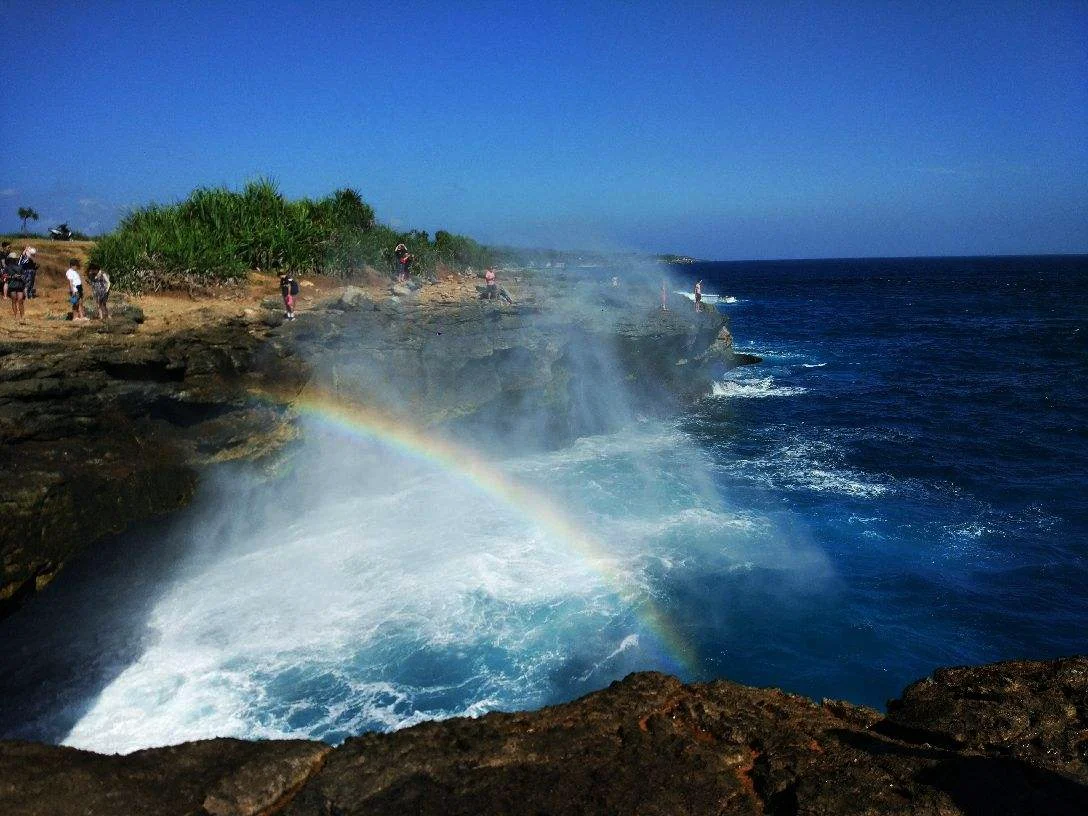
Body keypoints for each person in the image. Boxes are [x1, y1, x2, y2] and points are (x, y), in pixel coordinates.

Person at [4, 252, 27, 321]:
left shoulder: (20, 267)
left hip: (19, 285)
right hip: (12, 285)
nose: (14, 260)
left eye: (14, 259)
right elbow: (4, 276)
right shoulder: (7, 268)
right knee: (14, 300)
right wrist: (12, 276)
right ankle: (15, 316)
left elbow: (24, 275)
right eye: (13, 259)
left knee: (20, 300)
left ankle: (22, 316)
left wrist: (20, 277)